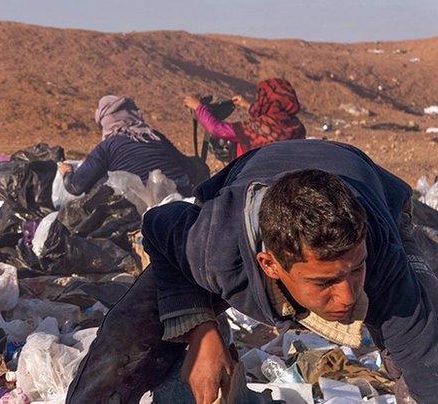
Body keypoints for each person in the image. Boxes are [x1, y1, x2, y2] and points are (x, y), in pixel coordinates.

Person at [67, 140, 438, 404]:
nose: (347, 295)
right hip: (257, 171)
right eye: (324, 281)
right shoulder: (216, 244)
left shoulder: (380, 256)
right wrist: (201, 328)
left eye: (354, 271)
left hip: (361, 178)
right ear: (270, 265)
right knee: (128, 338)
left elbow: (426, 359)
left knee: (423, 345)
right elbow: (161, 224)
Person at [58, 95, 197, 196]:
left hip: (142, 202)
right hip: (182, 194)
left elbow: (75, 187)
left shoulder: (107, 147)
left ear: (105, 121)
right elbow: (190, 168)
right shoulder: (154, 136)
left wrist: (67, 172)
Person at [183, 77, 306, 158]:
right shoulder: (297, 126)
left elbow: (217, 129)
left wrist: (198, 107)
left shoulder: (256, 128)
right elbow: (270, 118)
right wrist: (246, 105)